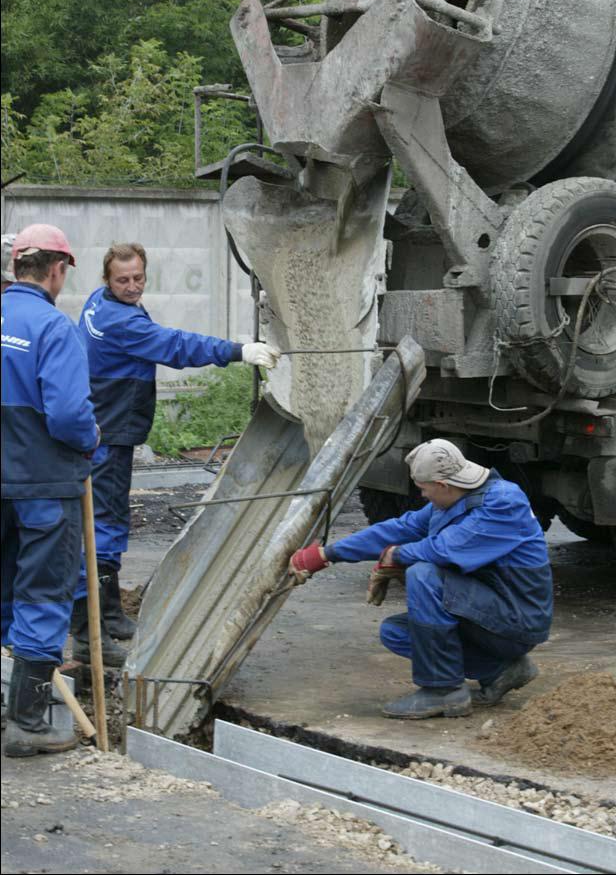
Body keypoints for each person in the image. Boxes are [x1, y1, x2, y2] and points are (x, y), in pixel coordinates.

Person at [74, 241, 280, 661]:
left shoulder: (98, 302)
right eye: (123, 280)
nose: (132, 286)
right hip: (110, 431)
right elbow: (175, 346)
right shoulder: (120, 320)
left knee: (107, 520)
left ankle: (108, 614)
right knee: (105, 526)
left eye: (138, 278)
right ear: (106, 279)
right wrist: (238, 351)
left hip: (106, 423)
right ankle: (87, 631)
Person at [289, 438, 552, 720]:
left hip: (517, 620)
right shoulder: (453, 500)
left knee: (424, 574)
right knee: (398, 632)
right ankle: (501, 671)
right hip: (489, 614)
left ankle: (443, 691)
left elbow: (442, 549)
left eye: (424, 489)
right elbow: (400, 528)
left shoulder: (502, 504)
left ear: (442, 485)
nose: (423, 496)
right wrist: (327, 554)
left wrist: (396, 555)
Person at [1, 223, 99, 756]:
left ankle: (7, 707)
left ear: (17, 265)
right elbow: (67, 414)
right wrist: (92, 439)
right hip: (42, 484)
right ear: (57, 270)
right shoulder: (53, 328)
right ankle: (28, 725)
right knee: (41, 596)